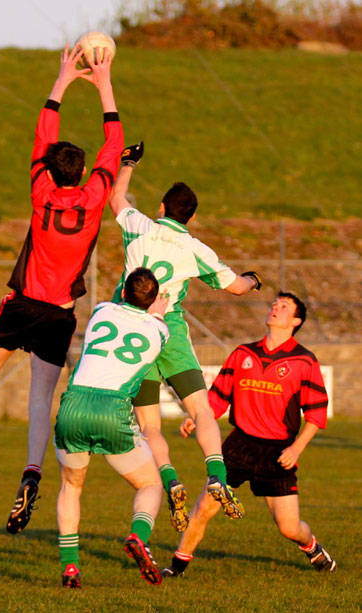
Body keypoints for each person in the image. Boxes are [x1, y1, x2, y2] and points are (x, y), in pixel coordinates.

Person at [0, 43, 124, 535]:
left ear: (50, 169)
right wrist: (104, 84)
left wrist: (63, 78)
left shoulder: (41, 190)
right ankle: (32, 473)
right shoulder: (96, 195)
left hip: (21, 305)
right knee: (40, 398)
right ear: (81, 173)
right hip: (59, 313)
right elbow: (114, 143)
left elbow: (43, 135)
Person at [109, 142, 262, 533]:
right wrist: (253, 279)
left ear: (161, 208)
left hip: (133, 329)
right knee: (202, 411)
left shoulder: (139, 226)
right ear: (190, 217)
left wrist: (129, 162)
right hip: (170, 330)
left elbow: (116, 198)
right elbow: (236, 288)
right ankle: (216, 477)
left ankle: (170, 477)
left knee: (151, 426)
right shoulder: (195, 249)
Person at [162, 291, 337, 577]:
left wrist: (296, 450)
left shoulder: (304, 361)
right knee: (205, 506)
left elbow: (317, 414)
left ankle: (313, 548)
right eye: (273, 304)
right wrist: (197, 417)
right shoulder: (243, 354)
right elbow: (218, 396)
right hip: (239, 445)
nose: (274, 308)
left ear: (296, 320)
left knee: (289, 528)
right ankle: (177, 566)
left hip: (278, 451)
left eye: (283, 307)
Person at [55, 267, 169, 588]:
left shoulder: (102, 311)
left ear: (123, 292)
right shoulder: (159, 332)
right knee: (149, 484)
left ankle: (70, 568)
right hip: (112, 409)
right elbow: (155, 324)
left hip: (75, 404)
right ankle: (139, 535)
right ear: (153, 301)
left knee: (71, 487)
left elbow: (121, 301)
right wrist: (158, 312)